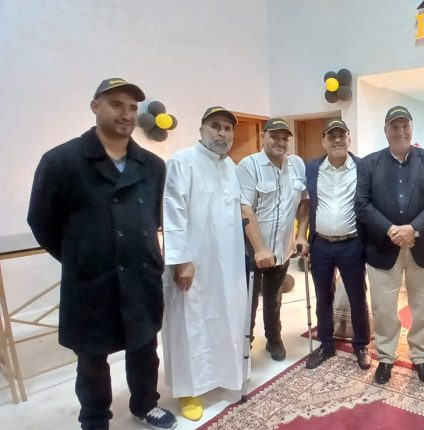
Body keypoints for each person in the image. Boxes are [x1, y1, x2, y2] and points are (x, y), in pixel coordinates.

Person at [27, 78, 177, 430]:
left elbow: (154, 217)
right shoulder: (61, 161)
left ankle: (145, 404)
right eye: (116, 104)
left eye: (132, 107)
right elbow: (42, 222)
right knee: (92, 358)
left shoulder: (152, 166)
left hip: (140, 275)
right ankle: (94, 419)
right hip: (91, 281)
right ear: (95, 106)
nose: (126, 114)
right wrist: (80, 256)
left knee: (144, 347)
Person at [161, 107, 248, 420]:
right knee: (190, 322)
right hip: (192, 264)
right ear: (201, 130)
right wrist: (181, 260)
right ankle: (188, 390)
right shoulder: (182, 162)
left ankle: (223, 376)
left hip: (227, 261)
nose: (222, 133)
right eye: (215, 126)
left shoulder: (230, 167)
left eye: (227, 128)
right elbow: (172, 213)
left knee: (226, 316)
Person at [356, 106, 424, 385]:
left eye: (405, 126)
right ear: (386, 131)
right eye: (394, 127)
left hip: (423, 246)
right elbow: (362, 204)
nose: (400, 132)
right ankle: (386, 357)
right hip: (382, 247)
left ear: (411, 127)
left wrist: (413, 229)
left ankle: (421, 357)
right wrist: (391, 229)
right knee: (383, 307)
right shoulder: (369, 164)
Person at [237, 118, 309, 361]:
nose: (280, 142)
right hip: (252, 250)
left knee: (274, 298)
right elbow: (244, 208)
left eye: (284, 138)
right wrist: (259, 249)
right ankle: (244, 344)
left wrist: (301, 234)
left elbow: (304, 202)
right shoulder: (249, 165)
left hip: (282, 248)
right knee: (248, 302)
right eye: (274, 136)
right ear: (263, 137)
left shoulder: (297, 164)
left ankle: (274, 339)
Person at [302, 118, 371, 370]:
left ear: (349, 139)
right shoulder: (312, 168)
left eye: (342, 135)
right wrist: (301, 235)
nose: (337, 140)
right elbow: (305, 203)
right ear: (324, 141)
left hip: (352, 243)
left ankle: (361, 344)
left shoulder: (363, 167)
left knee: (356, 295)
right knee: (323, 296)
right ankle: (326, 344)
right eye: (332, 136)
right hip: (320, 244)